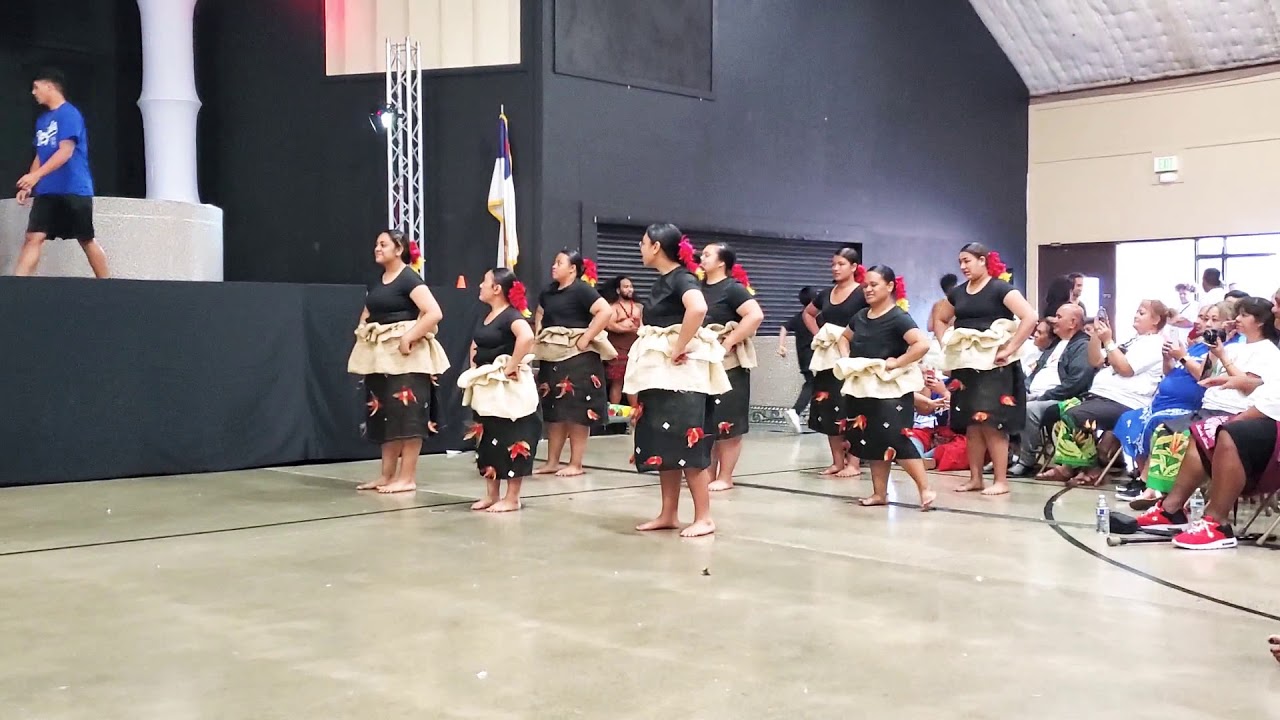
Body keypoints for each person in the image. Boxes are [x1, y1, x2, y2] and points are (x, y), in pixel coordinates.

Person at [623, 224, 729, 538]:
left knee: (687, 440)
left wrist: (678, 346)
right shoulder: (663, 281)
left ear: (656, 246)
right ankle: (668, 513)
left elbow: (698, 308)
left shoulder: (682, 277)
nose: (640, 248)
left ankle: (704, 517)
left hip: (681, 376)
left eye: (643, 243)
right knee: (663, 442)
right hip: (660, 375)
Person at [346, 230, 448, 494]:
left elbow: (434, 312)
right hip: (380, 358)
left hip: (407, 358)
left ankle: (407, 477)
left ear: (399, 248)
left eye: (383, 244)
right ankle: (386, 475)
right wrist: (363, 330)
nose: (377, 249)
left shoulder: (409, 279)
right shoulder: (377, 280)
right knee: (384, 413)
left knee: (407, 415)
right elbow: (368, 311)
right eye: (376, 244)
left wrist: (408, 337)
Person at [931, 243, 1037, 495]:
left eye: (967, 260)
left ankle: (1001, 480)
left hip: (995, 365)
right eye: (960, 262)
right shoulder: (958, 293)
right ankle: (975, 477)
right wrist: (946, 342)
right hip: (967, 364)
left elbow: (1029, 317)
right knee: (971, 422)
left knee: (992, 421)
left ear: (982, 260)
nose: (963, 266)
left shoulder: (1001, 288)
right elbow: (940, 318)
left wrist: (1010, 348)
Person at [835, 265, 936, 509]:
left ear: (890, 286)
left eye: (874, 285)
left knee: (895, 438)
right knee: (872, 440)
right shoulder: (860, 316)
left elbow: (921, 344)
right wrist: (847, 360)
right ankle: (880, 493)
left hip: (892, 391)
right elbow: (843, 338)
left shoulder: (898, 317)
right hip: (863, 388)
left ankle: (926, 489)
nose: (868, 289)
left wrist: (897, 363)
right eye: (866, 285)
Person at [457, 268, 540, 512]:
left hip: (507, 386)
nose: (480, 285)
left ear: (497, 289)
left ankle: (512, 498)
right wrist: (475, 367)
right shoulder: (489, 315)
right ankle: (492, 495)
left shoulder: (511, 315)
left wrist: (510, 367)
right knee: (488, 438)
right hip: (487, 386)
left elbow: (526, 337)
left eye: (485, 282)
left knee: (512, 436)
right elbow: (477, 343)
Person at [13, 68, 109, 278]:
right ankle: (16, 287)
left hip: (74, 189)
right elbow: (41, 154)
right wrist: (29, 184)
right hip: (48, 191)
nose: (33, 92)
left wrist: (36, 176)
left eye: (36, 87)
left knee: (86, 238)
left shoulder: (70, 114)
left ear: (50, 87)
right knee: (33, 237)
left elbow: (66, 151)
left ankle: (108, 284)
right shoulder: (42, 120)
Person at [533, 250, 615, 477]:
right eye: (554, 261)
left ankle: (576, 463)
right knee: (554, 410)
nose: (553, 266)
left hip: (579, 358)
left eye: (559, 262)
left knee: (578, 411)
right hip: (552, 355)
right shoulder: (548, 291)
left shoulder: (582, 289)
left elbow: (605, 311)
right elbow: (540, 311)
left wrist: (587, 337)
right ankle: (552, 461)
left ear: (573, 268)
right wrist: (540, 331)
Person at [699, 242, 764, 491]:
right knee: (706, 422)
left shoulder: (733, 289)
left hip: (729, 365)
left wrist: (727, 343)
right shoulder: (697, 288)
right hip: (702, 363)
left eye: (707, 254)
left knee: (728, 422)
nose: (701, 258)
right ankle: (706, 473)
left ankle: (726, 476)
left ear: (721, 262)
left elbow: (755, 315)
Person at [804, 247, 869, 477]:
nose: (835, 268)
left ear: (854, 267)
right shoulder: (825, 293)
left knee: (852, 406)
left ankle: (854, 462)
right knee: (830, 407)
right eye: (833, 264)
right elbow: (808, 314)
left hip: (852, 352)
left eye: (841, 264)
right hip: (828, 358)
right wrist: (820, 334)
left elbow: (873, 317)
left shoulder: (862, 293)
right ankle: (837, 462)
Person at [1011, 303, 1094, 476]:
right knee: (1002, 402)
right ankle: (1006, 456)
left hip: (1063, 400)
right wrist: (1023, 390)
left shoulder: (1082, 346)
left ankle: (1026, 461)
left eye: (1058, 317)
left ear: (1072, 323)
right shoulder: (1056, 344)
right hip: (1036, 395)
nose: (1053, 321)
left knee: (1029, 410)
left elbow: (1075, 383)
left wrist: (1041, 397)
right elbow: (1036, 372)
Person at [778, 286, 816, 433]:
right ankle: (796, 411)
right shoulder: (817, 317)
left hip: (803, 357)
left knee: (814, 385)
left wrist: (781, 345)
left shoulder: (799, 316)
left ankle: (810, 416)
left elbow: (784, 327)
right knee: (812, 384)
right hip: (814, 357)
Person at [604, 276, 642, 406]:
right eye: (626, 287)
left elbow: (641, 327)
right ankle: (614, 414)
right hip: (617, 349)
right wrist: (625, 328)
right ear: (618, 290)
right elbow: (609, 325)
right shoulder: (613, 308)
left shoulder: (638, 308)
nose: (630, 289)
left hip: (634, 349)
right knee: (617, 382)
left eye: (631, 286)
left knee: (633, 381)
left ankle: (634, 416)